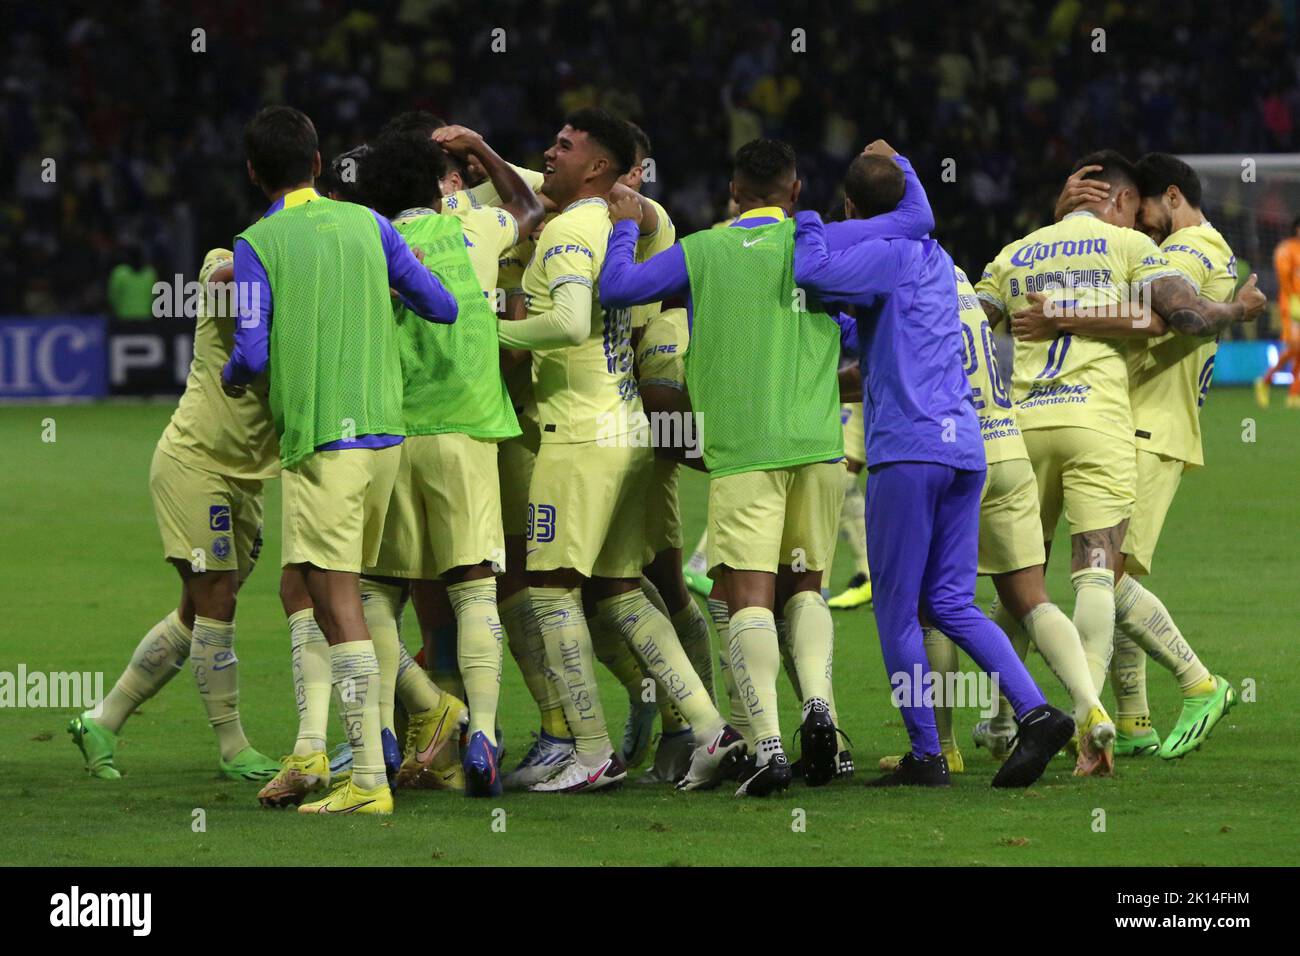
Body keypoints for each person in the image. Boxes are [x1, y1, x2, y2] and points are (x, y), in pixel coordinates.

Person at [795, 152, 1076, 789]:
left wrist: (807, 222)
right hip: (965, 450)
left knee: (896, 611)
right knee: (951, 601)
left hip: (907, 451)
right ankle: (1036, 712)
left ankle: (926, 753)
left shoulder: (880, 256)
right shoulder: (935, 259)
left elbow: (810, 272)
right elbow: (866, 322)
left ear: (850, 210)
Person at [498, 108, 745, 793]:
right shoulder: (615, 225)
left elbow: (571, 321)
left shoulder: (575, 226)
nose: (549, 151)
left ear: (598, 167)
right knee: (618, 591)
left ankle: (591, 749)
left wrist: (489, 336)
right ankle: (707, 725)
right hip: (626, 428)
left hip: (578, 436)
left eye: (565, 145)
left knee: (549, 590)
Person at [222, 106, 458, 815]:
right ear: (320, 163)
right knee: (301, 585)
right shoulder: (371, 224)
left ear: (253, 173)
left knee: (337, 600)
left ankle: (368, 783)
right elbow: (441, 306)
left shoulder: (258, 242)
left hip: (324, 442)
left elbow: (253, 351)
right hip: (385, 436)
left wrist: (235, 373)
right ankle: (320, 746)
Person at [1015, 152, 1264, 759]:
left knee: (1106, 578)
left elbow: (1162, 316)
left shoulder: (1187, 250)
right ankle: (1132, 720)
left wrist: (1060, 317)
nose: (1141, 228)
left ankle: (1199, 684)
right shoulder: (1209, 249)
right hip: (1137, 421)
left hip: (1148, 424)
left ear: (1172, 197)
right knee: (1108, 569)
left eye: (1146, 212)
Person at [355, 124, 544, 797]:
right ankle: (484, 735)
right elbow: (530, 210)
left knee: (374, 591)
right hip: (467, 432)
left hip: (389, 432)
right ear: (441, 185)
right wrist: (487, 152)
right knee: (473, 589)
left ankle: (380, 731)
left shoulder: (367, 245)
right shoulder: (475, 229)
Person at [69, 248, 280, 783]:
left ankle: (102, 720)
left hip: (251, 477)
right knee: (218, 601)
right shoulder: (227, 259)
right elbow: (222, 280)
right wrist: (289, 262)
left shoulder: (311, 296)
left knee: (196, 611)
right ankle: (233, 746)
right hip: (194, 462)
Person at [1256, 214, 1300, 409]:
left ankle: (1293, 395)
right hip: (1290, 305)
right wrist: (1293, 301)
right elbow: (1284, 278)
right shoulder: (1286, 249)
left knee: (1297, 351)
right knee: (1295, 348)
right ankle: (1265, 382)